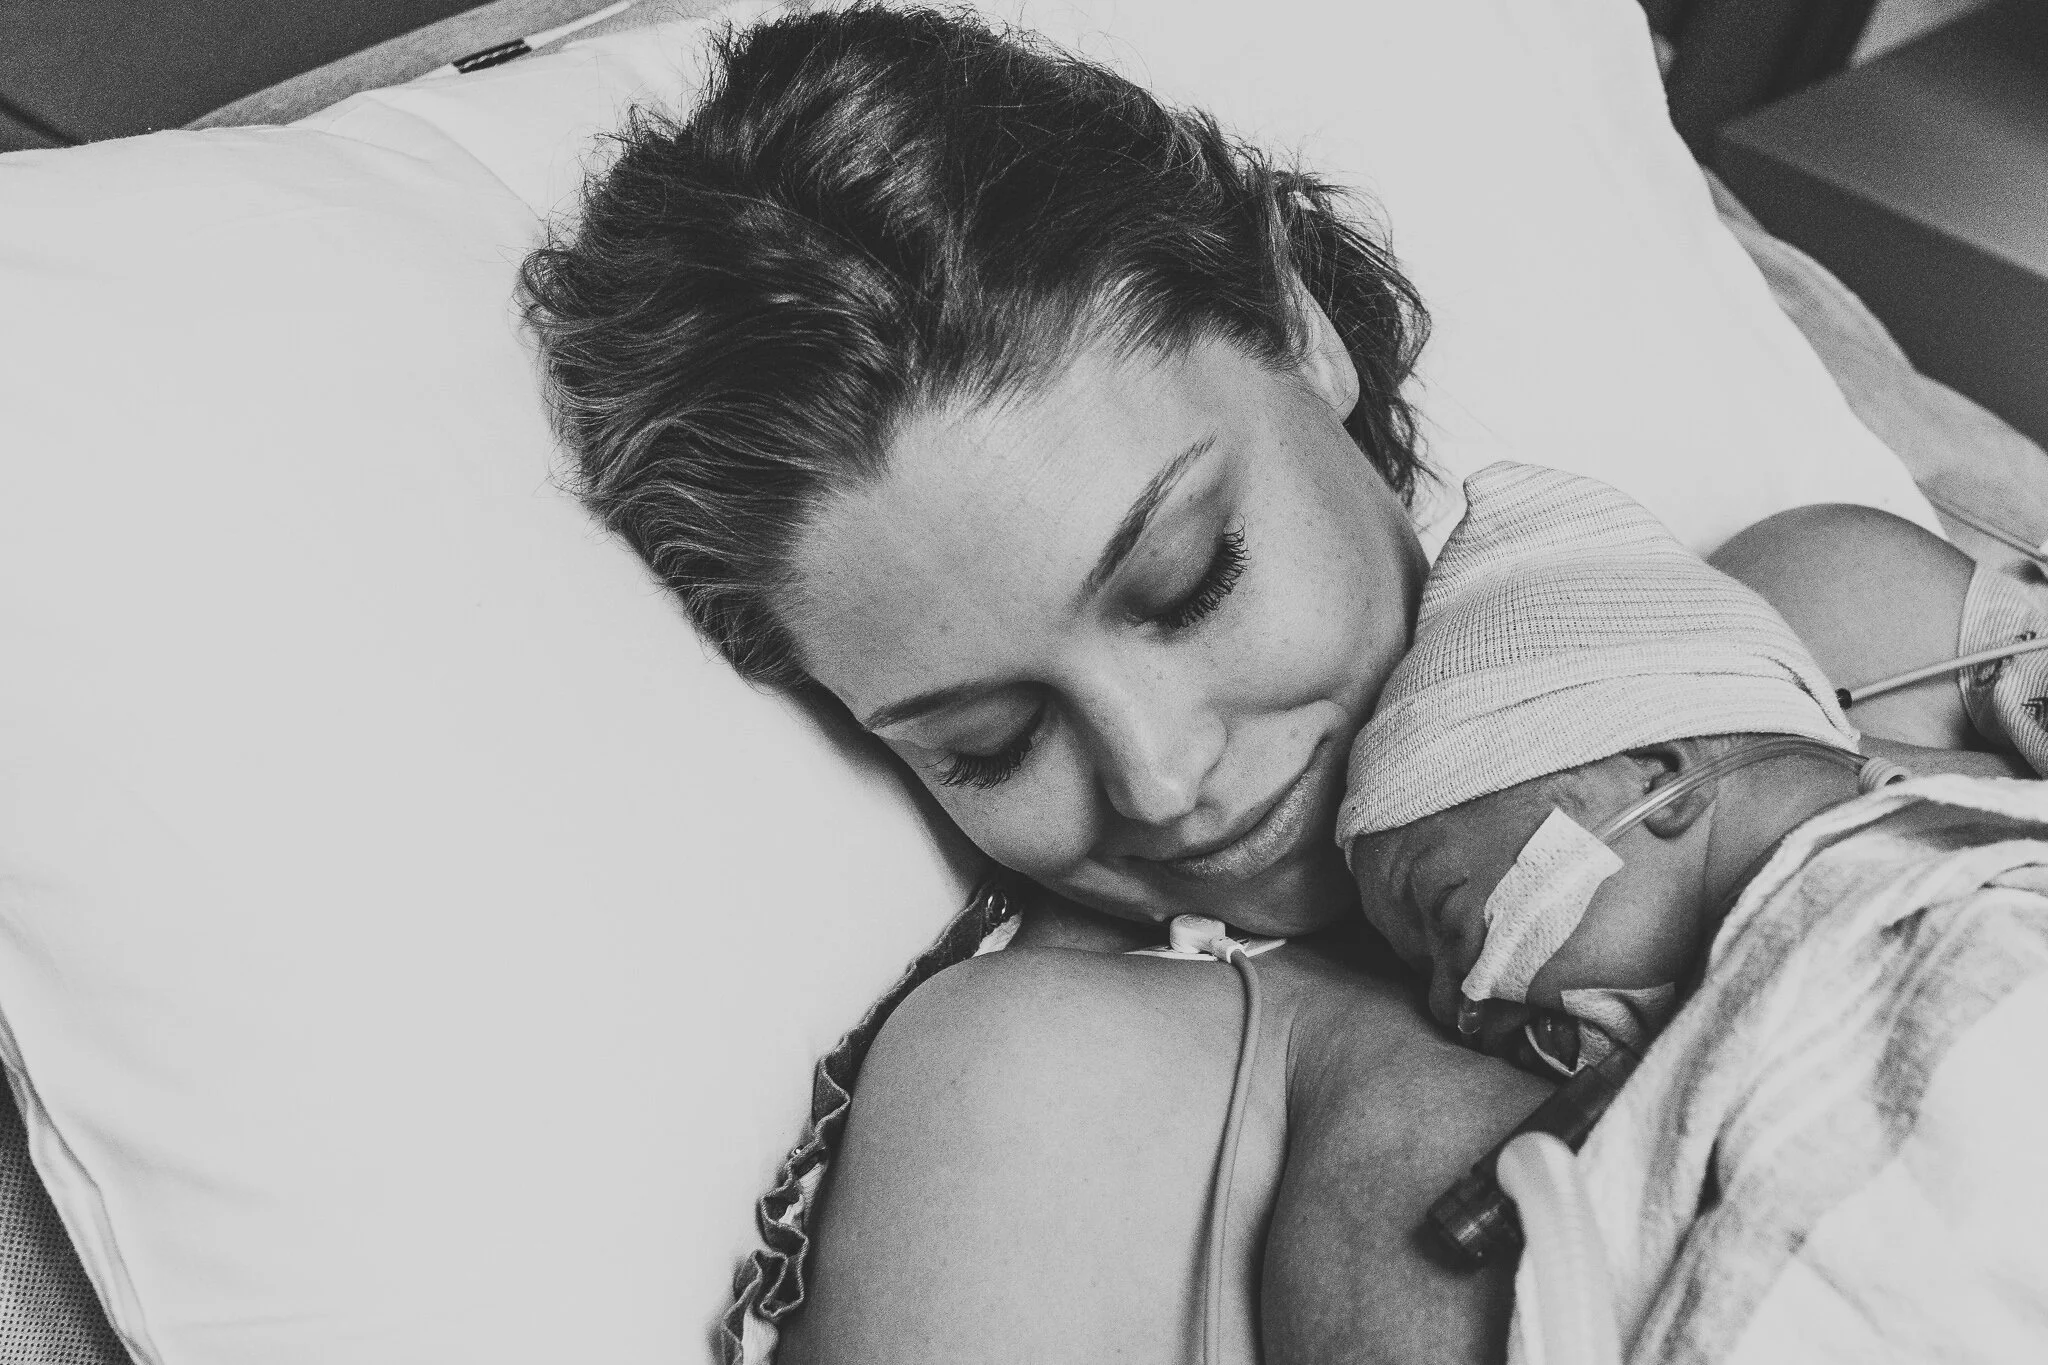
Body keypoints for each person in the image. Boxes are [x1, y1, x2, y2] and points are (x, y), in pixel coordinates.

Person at [518, 7, 2028, 1361]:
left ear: (1301, 338)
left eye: (1191, 581)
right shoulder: (1050, 1098)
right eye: (993, 740)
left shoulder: (1826, 630)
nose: (1162, 777)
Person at [1344, 460, 2048, 1359]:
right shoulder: (1710, 1046)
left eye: (1447, 917)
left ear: (1656, 778)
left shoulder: (1913, 916)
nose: (1451, 1005)